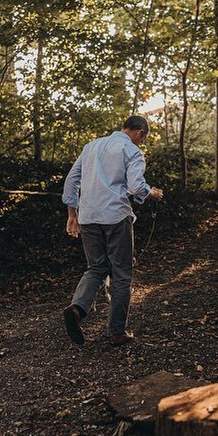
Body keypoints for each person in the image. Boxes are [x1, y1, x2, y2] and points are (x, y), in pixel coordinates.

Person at [61, 115, 163, 346]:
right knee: (122, 272)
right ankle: (116, 331)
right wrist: (152, 193)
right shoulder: (132, 151)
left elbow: (71, 181)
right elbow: (136, 186)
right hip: (115, 216)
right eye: (143, 139)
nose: (141, 143)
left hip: (88, 216)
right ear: (140, 133)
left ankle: (76, 308)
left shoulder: (91, 146)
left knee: (96, 267)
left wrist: (72, 215)